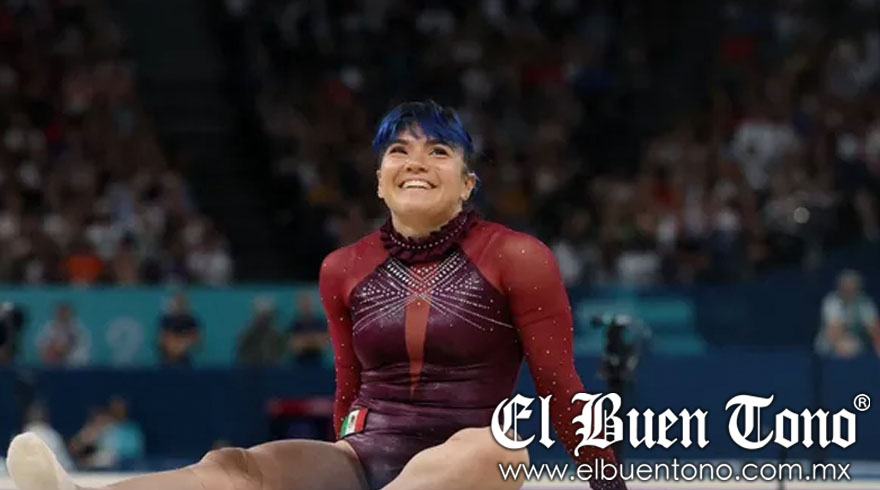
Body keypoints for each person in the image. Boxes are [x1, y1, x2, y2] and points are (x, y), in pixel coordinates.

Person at [5, 101, 624, 490]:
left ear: (467, 184)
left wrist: (609, 484)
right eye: (399, 151)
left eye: (438, 151)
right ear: (379, 180)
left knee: (495, 444)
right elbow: (349, 394)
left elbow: (561, 387)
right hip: (366, 457)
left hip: (472, 462)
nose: (416, 161)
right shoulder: (343, 269)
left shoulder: (517, 256)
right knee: (236, 467)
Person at [815, 269, 880, 358]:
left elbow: (875, 329)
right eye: (846, 286)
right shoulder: (832, 301)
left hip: (855, 343)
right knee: (846, 347)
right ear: (840, 287)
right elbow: (834, 332)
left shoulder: (865, 303)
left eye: (853, 286)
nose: (849, 289)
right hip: (827, 346)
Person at [37, 302, 92, 366]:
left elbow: (72, 350)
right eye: (60, 313)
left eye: (64, 313)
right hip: (51, 367)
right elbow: (43, 349)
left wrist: (60, 350)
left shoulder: (79, 330)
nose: (62, 316)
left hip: (76, 366)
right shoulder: (48, 328)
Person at [157, 292, 201, 366]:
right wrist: (174, 347)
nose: (180, 305)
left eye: (182, 303)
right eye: (177, 302)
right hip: (166, 361)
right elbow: (160, 341)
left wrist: (183, 345)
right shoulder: (165, 320)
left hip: (185, 360)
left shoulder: (191, 321)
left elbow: (198, 343)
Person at [237, 296, 285, 365]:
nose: (262, 318)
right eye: (260, 314)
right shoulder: (246, 335)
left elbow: (280, 357)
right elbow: (242, 356)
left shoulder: (277, 336)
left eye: (265, 315)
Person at [287, 292, 330, 364]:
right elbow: (295, 345)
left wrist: (304, 341)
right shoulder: (295, 324)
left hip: (318, 362)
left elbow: (323, 344)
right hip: (299, 363)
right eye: (303, 303)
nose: (305, 305)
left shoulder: (320, 323)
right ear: (299, 305)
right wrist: (314, 340)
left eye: (307, 302)